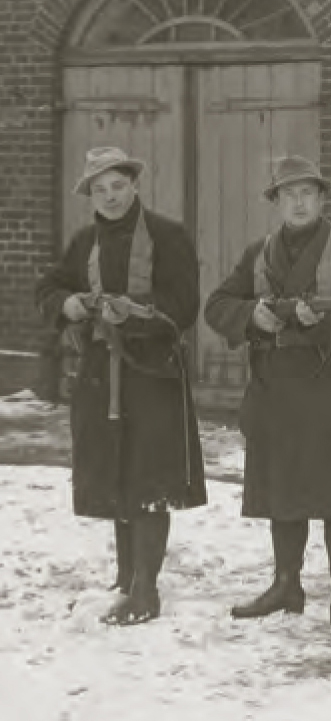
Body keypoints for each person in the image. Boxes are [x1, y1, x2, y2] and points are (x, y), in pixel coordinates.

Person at [204, 155, 331, 631]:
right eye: (289, 195)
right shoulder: (258, 254)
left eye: (307, 193)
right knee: (282, 493)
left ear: (322, 199)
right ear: (277, 202)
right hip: (276, 391)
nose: (299, 203)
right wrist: (252, 316)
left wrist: (319, 321)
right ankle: (287, 585)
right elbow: (217, 305)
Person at [34, 147, 207, 626]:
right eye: (100, 189)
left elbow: (184, 304)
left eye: (118, 186)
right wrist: (68, 304)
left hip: (151, 375)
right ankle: (126, 577)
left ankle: (146, 590)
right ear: (91, 195)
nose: (110, 197)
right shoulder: (83, 242)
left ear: (134, 186)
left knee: (150, 478)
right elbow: (48, 288)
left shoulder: (168, 237)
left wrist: (131, 313)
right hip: (99, 376)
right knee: (116, 471)